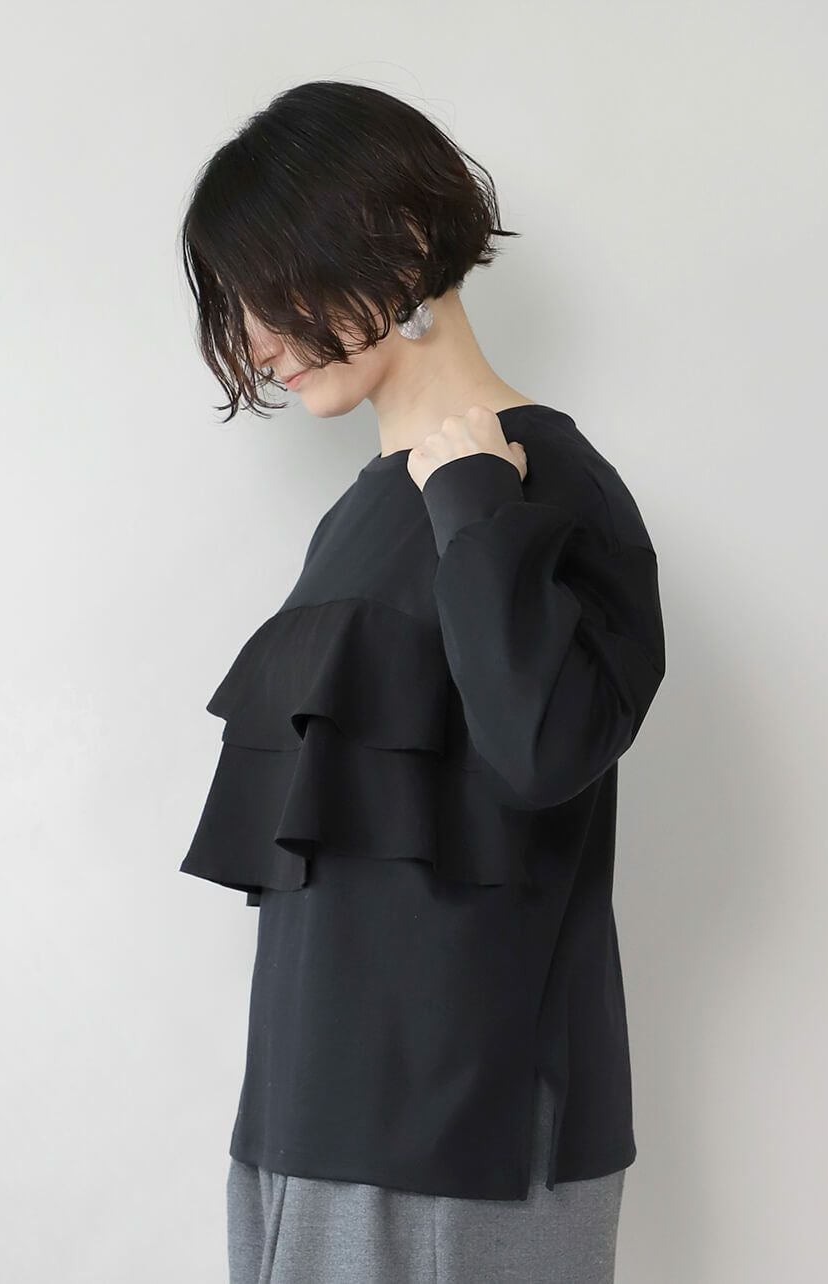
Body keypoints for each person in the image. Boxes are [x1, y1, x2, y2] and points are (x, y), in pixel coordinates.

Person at [177, 79, 666, 1284]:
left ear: (392, 242)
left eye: (269, 290)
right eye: (235, 305)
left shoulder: (553, 487)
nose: (255, 342)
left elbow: (544, 748)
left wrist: (474, 506)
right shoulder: (352, 518)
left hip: (468, 1139)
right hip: (305, 1125)